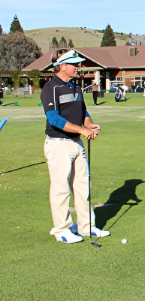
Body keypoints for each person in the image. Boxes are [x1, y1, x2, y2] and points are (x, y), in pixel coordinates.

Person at [41, 49, 110, 244]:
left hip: (76, 143)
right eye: (74, 64)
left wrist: (89, 125)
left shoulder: (77, 87)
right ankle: (61, 230)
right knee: (61, 188)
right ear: (61, 66)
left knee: (83, 186)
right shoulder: (51, 88)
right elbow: (53, 118)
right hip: (58, 144)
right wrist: (81, 130)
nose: (78, 67)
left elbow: (83, 112)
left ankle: (86, 227)